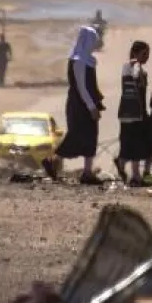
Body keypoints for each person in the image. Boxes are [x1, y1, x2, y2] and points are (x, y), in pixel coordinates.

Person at [49, 25, 106, 184]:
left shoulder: (88, 60)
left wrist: (96, 102)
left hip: (87, 104)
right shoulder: (78, 61)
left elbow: (90, 85)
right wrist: (91, 107)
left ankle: (87, 172)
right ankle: (53, 160)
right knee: (76, 134)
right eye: (93, 40)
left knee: (91, 136)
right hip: (79, 105)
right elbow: (81, 87)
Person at [116, 41, 152, 187]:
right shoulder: (129, 67)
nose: (146, 57)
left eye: (147, 54)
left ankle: (123, 164)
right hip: (130, 112)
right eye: (144, 54)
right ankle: (135, 176)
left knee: (136, 143)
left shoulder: (139, 70)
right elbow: (134, 74)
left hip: (138, 112)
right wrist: (136, 65)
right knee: (133, 143)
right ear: (136, 53)